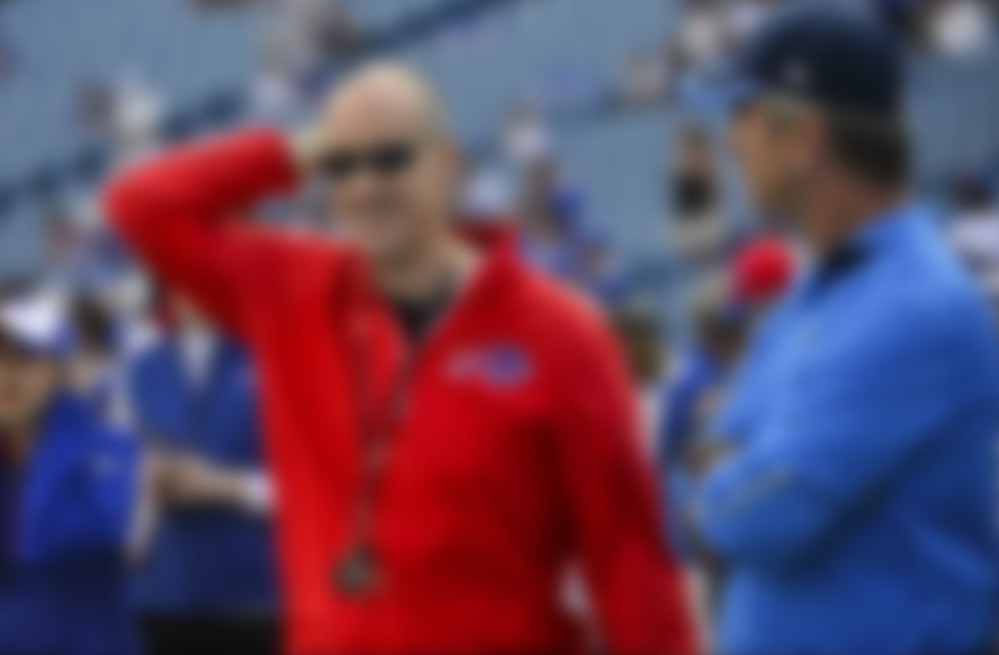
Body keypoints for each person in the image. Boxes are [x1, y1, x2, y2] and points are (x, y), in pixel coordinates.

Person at [105, 63, 695, 654]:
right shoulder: (292, 290)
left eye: (390, 159)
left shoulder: (561, 333)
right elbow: (139, 206)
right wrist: (295, 151)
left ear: (447, 162)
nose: (365, 186)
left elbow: (630, 561)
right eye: (342, 165)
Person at [692, 8, 999, 653]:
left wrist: (719, 485)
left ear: (806, 136)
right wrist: (728, 472)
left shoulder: (915, 304)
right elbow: (711, 449)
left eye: (745, 115)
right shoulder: (818, 292)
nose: (732, 142)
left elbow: (763, 516)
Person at [0, 292, 143, 655]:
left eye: (24, 355)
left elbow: (53, 537)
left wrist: (47, 439)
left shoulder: (111, 450)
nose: (4, 373)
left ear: (58, 368)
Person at [127, 289, 283, 655]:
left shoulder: (275, 360)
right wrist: (143, 482)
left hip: (255, 597)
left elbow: (318, 492)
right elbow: (116, 480)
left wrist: (226, 487)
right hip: (158, 597)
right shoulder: (139, 367)